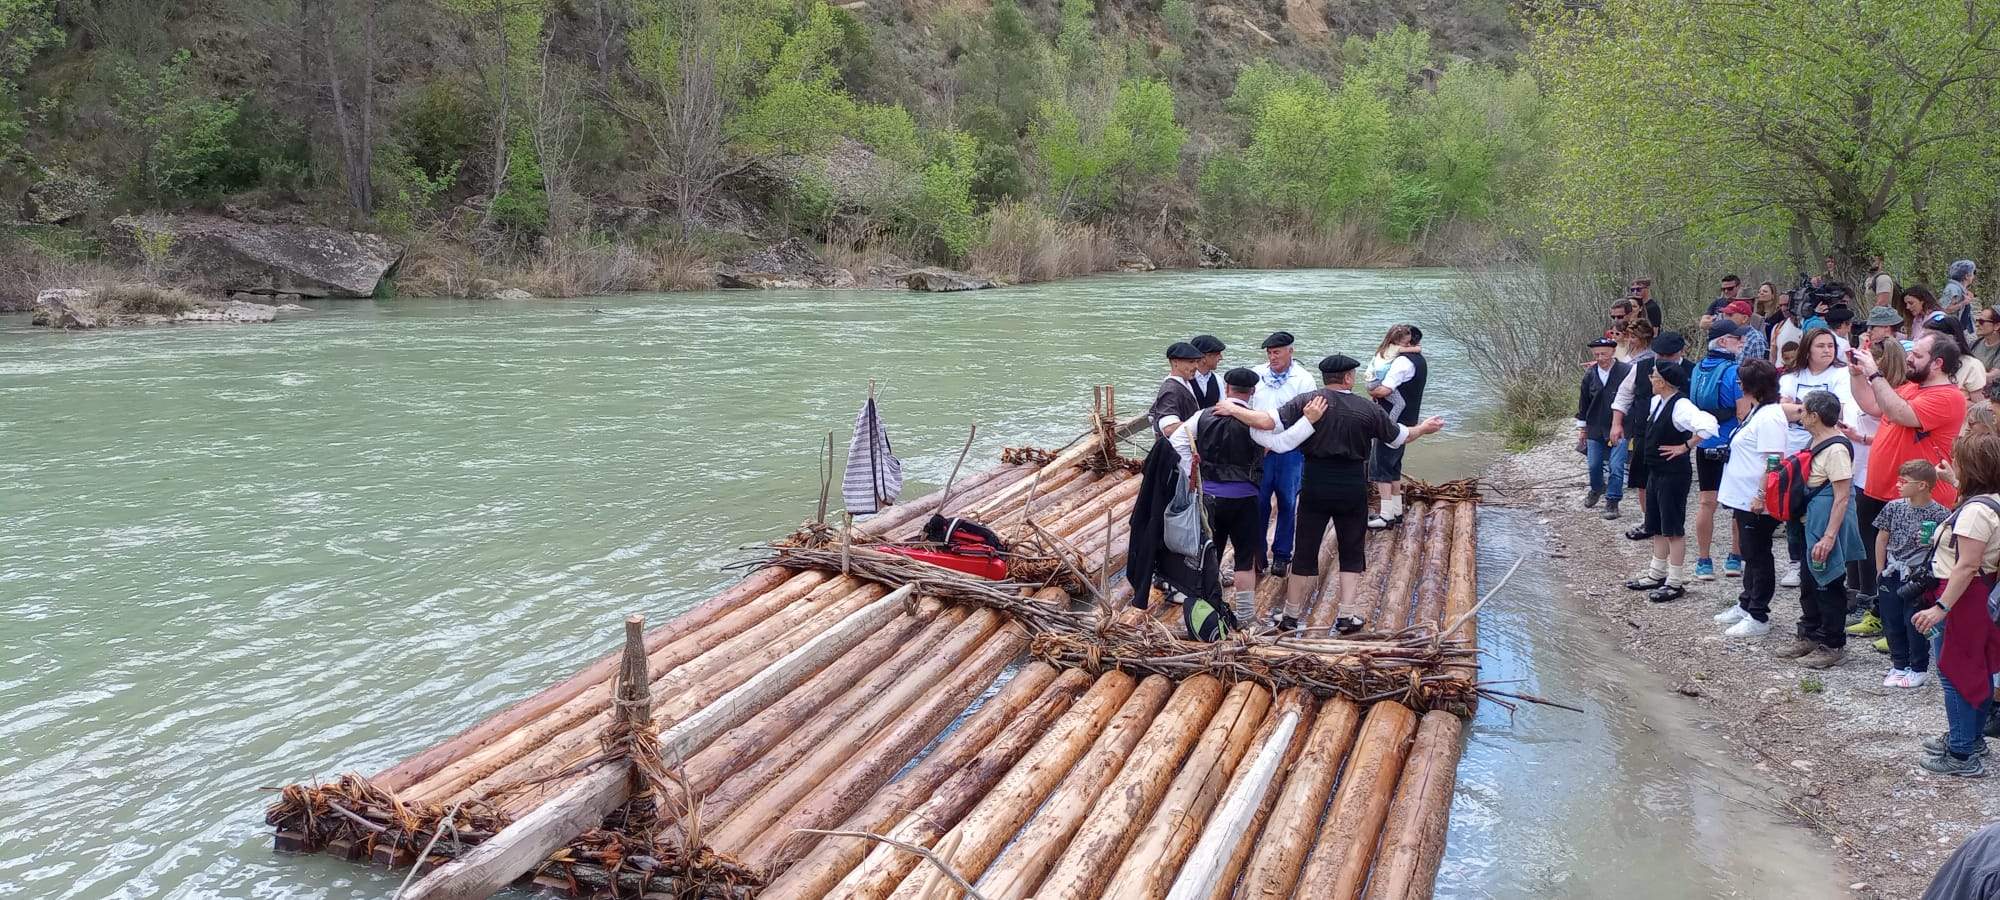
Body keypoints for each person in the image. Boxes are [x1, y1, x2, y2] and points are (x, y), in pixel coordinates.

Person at [1273, 354, 1446, 630]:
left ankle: (1290, 615)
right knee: (1352, 548)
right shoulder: (1367, 408)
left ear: (1324, 378)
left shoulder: (1307, 401)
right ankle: (1346, 616)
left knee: (1305, 548)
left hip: (1315, 483)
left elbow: (1272, 422)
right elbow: (1398, 438)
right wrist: (1424, 428)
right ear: (1349, 378)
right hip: (1352, 484)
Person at [1167, 367, 1324, 622]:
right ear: (1252, 392)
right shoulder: (1254, 421)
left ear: (1226, 389)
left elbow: (1176, 443)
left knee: (1209, 554)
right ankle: (1245, 615)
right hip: (1245, 498)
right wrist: (1309, 422)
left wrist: (1192, 474)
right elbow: (1284, 443)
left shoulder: (1202, 416)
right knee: (1244, 558)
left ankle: (1208, 610)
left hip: (1209, 498)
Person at [1912, 432, 2000, 777]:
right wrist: (1954, 481)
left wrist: (1941, 608)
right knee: (1976, 668)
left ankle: (1962, 754)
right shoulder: (1990, 500)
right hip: (1981, 595)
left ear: (1973, 467)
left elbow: (1966, 565)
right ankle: (1971, 738)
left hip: (1963, 597)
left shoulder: (1976, 512)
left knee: (1954, 673)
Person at [1775, 390, 1862, 669]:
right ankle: (1810, 634)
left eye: (1804, 411)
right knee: (1809, 583)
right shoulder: (1818, 440)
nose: (1800, 414)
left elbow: (1842, 496)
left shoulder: (1836, 449)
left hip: (1823, 528)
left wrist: (1829, 537)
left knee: (1828, 584)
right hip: (1807, 525)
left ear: (1814, 416)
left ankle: (1833, 643)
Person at [1622, 363, 1719, 602]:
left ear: (1663, 381)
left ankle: (1675, 581)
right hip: (1656, 470)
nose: (1650, 379)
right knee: (1655, 524)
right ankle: (1656, 573)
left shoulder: (1681, 406)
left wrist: (1685, 446)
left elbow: (1708, 425)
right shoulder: (1657, 402)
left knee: (1673, 527)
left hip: (1674, 474)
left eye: (1653, 376)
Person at [1715, 359, 1792, 637]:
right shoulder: (1758, 410)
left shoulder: (1771, 416)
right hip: (1742, 497)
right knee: (1748, 552)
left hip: (1755, 499)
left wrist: (1762, 495)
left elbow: (1774, 460)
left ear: (1753, 385)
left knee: (1758, 554)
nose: (1738, 385)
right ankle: (1746, 602)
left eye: (1741, 381)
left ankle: (1759, 615)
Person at [1851, 332, 1969, 511]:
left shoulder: (1950, 397)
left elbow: (1899, 413)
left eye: (1918, 355)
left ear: (1938, 364)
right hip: (1882, 493)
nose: (1909, 358)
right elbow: (1873, 405)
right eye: (1911, 353)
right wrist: (1857, 374)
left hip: (1920, 501)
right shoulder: (1911, 387)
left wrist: (1874, 373)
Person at [1872, 459, 1948, 688]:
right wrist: (1879, 569)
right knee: (1891, 619)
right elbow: (1882, 537)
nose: (1899, 485)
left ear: (1923, 485)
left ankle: (1918, 667)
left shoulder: (1940, 513)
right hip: (1893, 569)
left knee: (1914, 620)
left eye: (1904, 481)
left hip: (1919, 575)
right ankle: (1899, 663)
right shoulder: (1894, 507)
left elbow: (1944, 546)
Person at [1843, 337, 1907, 609]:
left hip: (1881, 469)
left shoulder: (1895, 391)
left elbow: (1878, 412)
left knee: (1875, 535)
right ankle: (1856, 587)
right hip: (1862, 468)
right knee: (1859, 531)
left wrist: (1862, 438)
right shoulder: (1870, 385)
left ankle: (1873, 594)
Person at [1612, 331, 1692, 542]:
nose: (1663, 361)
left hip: (1676, 436)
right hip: (1643, 432)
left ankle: (1670, 523)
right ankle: (1648, 520)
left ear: (1681, 352)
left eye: (1669, 356)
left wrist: (1689, 444)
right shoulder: (1642, 368)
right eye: (1660, 356)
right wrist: (1616, 423)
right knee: (1642, 478)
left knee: (1671, 481)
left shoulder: (1692, 371)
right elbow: (1623, 396)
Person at [1251, 331, 1318, 578]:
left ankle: (1281, 555)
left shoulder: (1304, 380)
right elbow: (1248, 410)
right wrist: (1261, 441)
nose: (1272, 357)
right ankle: (1257, 552)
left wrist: (1280, 441)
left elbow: (1307, 418)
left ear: (1291, 351)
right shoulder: (1256, 374)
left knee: (1288, 502)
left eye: (1277, 352)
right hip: (1260, 448)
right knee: (1258, 501)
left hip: (1290, 449)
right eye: (1269, 353)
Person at [1690, 321, 1750, 580]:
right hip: (1731, 444)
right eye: (1738, 339)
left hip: (1704, 443)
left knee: (1706, 502)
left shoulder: (1697, 368)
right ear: (1724, 341)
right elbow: (1743, 411)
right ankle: (1734, 558)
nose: (1742, 342)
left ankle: (1703, 560)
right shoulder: (1735, 371)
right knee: (1737, 503)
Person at [1368, 325, 1427, 529]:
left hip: (1392, 422)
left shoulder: (1402, 362)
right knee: (1393, 466)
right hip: (1408, 419)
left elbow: (1385, 390)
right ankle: (1396, 510)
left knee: (1381, 466)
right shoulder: (1419, 360)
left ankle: (1386, 516)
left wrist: (1373, 392)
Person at [1577, 337, 1631, 518]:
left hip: (1620, 427)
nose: (1601, 358)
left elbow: (1634, 399)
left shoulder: (1626, 371)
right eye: (1597, 354)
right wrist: (1582, 428)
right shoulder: (1590, 374)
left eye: (1604, 354)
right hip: (1595, 427)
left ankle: (1613, 501)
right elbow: (1583, 403)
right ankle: (1597, 488)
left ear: (1613, 352)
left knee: (1616, 466)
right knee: (1593, 465)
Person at [1149, 341, 1204, 438]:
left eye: (1197, 361)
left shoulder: (1184, 383)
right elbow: (1169, 428)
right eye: (1191, 362)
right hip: (1177, 450)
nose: (1196, 366)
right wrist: (1203, 425)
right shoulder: (1171, 390)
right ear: (1175, 363)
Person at [1189, 335, 1226, 408]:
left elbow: (1222, 406)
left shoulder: (1217, 379)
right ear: (1203, 357)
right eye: (1217, 354)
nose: (1221, 358)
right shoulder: (1184, 379)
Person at [1945, 259, 1980, 332]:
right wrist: (1964, 303)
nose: (1974, 277)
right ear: (1967, 276)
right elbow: (1946, 309)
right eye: (1973, 273)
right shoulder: (1952, 289)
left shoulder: (1960, 289)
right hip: (1951, 330)